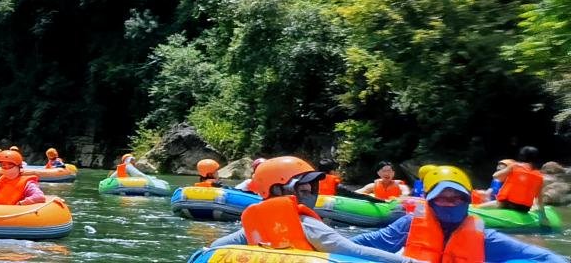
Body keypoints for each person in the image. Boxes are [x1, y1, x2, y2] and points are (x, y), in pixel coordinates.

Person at [207, 156, 413, 263]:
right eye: (302, 185)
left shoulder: (254, 226)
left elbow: (214, 248)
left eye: (311, 185)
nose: (309, 189)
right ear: (277, 188)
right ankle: (411, 221)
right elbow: (354, 251)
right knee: (400, 227)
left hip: (327, 246)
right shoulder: (306, 224)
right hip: (334, 250)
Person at [349, 165, 566, 263]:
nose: (450, 203)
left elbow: (542, 256)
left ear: (467, 201)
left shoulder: (485, 238)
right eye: (442, 197)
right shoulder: (408, 225)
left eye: (457, 198)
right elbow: (359, 244)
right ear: (431, 201)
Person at [487, 148, 545, 214]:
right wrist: (543, 216)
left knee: (481, 206)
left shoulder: (515, 166)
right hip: (524, 208)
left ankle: (475, 209)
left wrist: (508, 172)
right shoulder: (540, 176)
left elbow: (495, 176)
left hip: (506, 204)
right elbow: (539, 198)